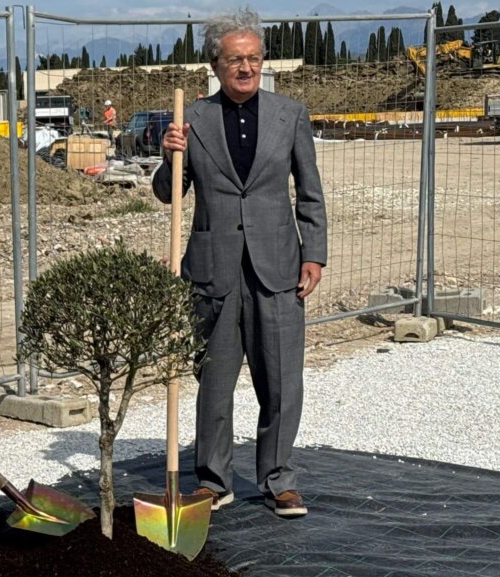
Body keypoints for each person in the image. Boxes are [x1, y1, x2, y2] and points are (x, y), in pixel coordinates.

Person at [153, 8, 327, 518]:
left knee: (281, 382)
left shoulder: (290, 115)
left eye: (253, 58)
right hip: (214, 271)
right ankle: (214, 481)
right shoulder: (193, 120)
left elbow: (310, 193)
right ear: (216, 65)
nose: (246, 67)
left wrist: (314, 254)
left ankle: (279, 480)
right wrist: (168, 156)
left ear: (262, 61)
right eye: (235, 60)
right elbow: (168, 194)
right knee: (214, 382)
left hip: (278, 267)